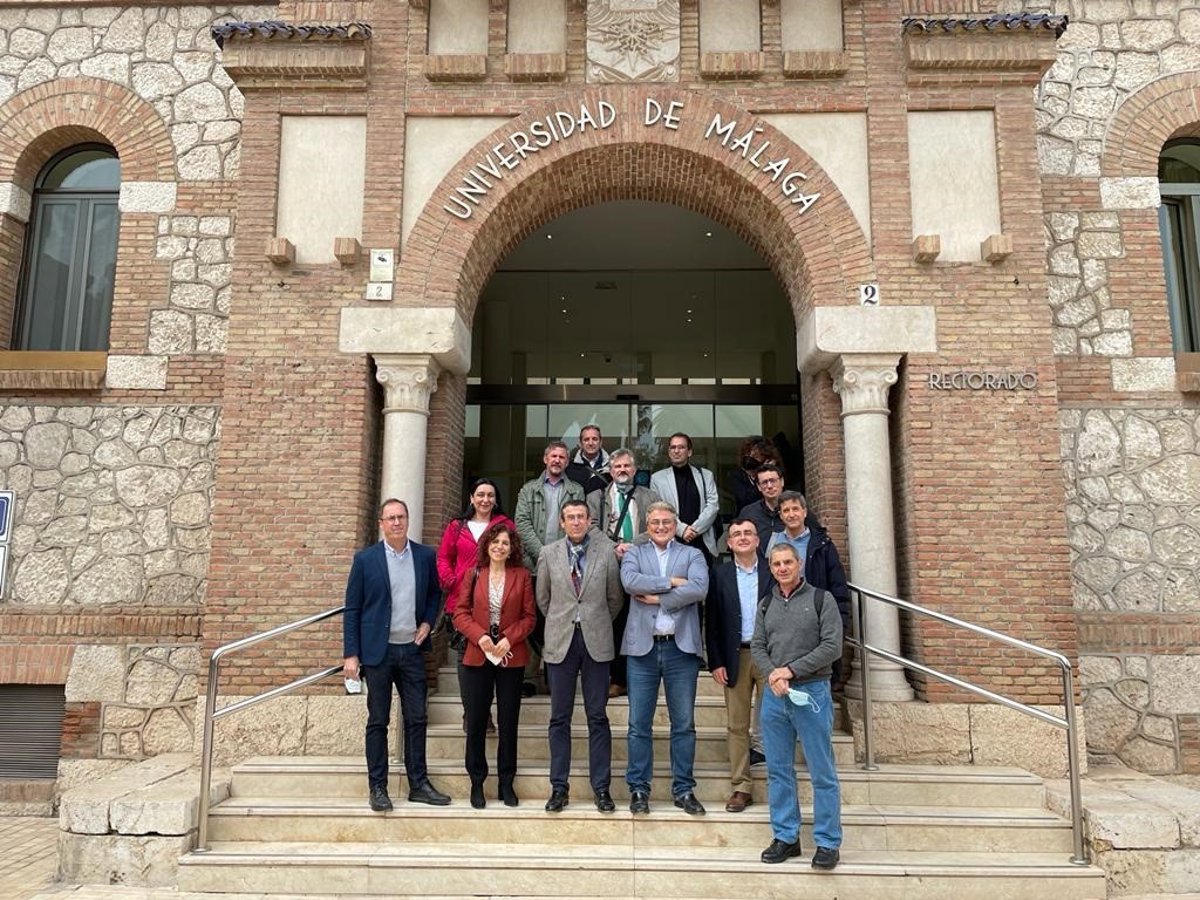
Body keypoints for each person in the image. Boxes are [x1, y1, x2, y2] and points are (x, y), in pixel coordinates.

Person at [343, 498, 450, 811]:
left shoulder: (425, 556)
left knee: (417, 718)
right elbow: (352, 609)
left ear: (408, 519)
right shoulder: (365, 560)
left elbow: (434, 594)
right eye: (390, 518)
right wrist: (351, 654)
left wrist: (428, 622)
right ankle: (378, 787)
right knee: (378, 720)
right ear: (381, 523)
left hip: (412, 651)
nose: (396, 522)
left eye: (401, 517)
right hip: (378, 653)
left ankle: (419, 784)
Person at [752, 543, 842, 870]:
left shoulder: (822, 600)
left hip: (812, 692)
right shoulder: (766, 605)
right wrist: (773, 675)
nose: (783, 568)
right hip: (776, 696)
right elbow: (758, 646)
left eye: (788, 562)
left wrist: (790, 670)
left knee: (821, 770)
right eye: (777, 564)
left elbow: (832, 646)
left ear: (799, 563)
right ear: (771, 568)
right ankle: (786, 836)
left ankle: (828, 842)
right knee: (778, 770)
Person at [619, 501, 709, 816]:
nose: (660, 527)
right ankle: (639, 789)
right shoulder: (634, 553)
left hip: (680, 650)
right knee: (638, 725)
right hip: (642, 650)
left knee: (683, 724)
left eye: (667, 522)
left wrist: (657, 598)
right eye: (655, 522)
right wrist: (672, 583)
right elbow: (630, 582)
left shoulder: (692, 554)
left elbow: (700, 588)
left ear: (675, 524)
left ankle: (683, 789)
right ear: (647, 525)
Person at [536, 499, 624, 813]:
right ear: (562, 522)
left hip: (596, 641)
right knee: (559, 717)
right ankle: (559, 788)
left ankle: (601, 788)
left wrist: (592, 621)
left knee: (597, 716)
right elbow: (543, 599)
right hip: (560, 641)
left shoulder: (606, 553)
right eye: (570, 517)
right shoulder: (548, 554)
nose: (575, 522)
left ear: (589, 521)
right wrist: (565, 619)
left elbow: (615, 599)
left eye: (580, 517)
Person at [452, 521, 537, 809]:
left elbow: (529, 617)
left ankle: (506, 782)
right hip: (479, 655)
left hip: (510, 657)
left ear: (512, 549)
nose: (499, 547)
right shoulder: (473, 574)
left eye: (505, 543)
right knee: (476, 720)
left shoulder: (522, 576)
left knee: (509, 721)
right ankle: (477, 782)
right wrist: (480, 637)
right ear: (487, 545)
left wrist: (509, 639)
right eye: (495, 542)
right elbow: (460, 613)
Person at [705, 517, 773, 813]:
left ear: (757, 540)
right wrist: (716, 661)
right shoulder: (719, 574)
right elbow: (712, 620)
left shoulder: (773, 570)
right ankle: (741, 786)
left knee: (775, 721)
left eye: (748, 533)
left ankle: (779, 781)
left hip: (770, 656)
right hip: (735, 657)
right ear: (729, 543)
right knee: (737, 724)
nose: (743, 538)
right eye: (736, 534)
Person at [436, 478, 514, 729]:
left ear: (496, 500)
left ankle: (484, 709)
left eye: (490, 495)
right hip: (461, 603)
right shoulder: (456, 527)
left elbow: (513, 558)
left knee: (491, 658)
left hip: (495, 602)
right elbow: (443, 558)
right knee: (465, 660)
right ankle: (473, 713)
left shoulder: (505, 525)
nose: (485, 500)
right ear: (471, 498)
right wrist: (451, 581)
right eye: (480, 494)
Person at [587, 447, 658, 698]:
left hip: (640, 563)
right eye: (617, 466)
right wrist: (613, 547)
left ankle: (639, 678)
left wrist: (631, 545)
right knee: (614, 621)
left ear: (635, 470)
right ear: (610, 470)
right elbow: (590, 527)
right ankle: (617, 678)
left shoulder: (649, 496)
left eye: (627, 466)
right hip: (608, 564)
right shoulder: (596, 497)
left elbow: (656, 526)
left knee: (638, 619)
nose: (622, 470)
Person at [765, 491, 852, 685]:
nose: (791, 514)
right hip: (782, 624)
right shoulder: (773, 542)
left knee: (816, 681)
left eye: (795, 509)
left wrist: (840, 628)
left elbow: (838, 587)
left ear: (804, 512)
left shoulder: (822, 544)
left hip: (815, 621)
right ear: (780, 515)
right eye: (786, 510)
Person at [649, 433, 720, 565]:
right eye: (673, 447)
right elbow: (658, 510)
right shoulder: (657, 479)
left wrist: (694, 530)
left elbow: (713, 505)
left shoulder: (705, 475)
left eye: (681, 447)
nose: (676, 451)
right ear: (669, 452)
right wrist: (682, 530)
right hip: (672, 542)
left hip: (701, 542)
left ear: (689, 452)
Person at [515, 441, 585, 571]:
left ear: (567, 462)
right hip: (533, 563)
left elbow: (579, 525)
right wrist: (542, 554)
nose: (557, 460)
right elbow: (522, 523)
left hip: (565, 563)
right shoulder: (528, 490)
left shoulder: (577, 491)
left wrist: (561, 556)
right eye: (554, 456)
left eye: (561, 457)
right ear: (545, 459)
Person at [729, 435, 785, 514]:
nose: (750, 458)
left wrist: (766, 471)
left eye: (755, 455)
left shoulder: (776, 475)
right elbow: (746, 499)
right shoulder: (737, 476)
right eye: (747, 454)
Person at [739, 462, 785, 544]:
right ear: (759, 486)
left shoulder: (796, 510)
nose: (769, 486)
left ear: (782, 482)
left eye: (773, 481)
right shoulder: (748, 513)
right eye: (764, 482)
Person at [565, 424, 612, 495]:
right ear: (580, 443)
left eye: (594, 439)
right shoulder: (569, 468)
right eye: (586, 439)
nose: (590, 443)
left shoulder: (612, 466)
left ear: (600, 442)